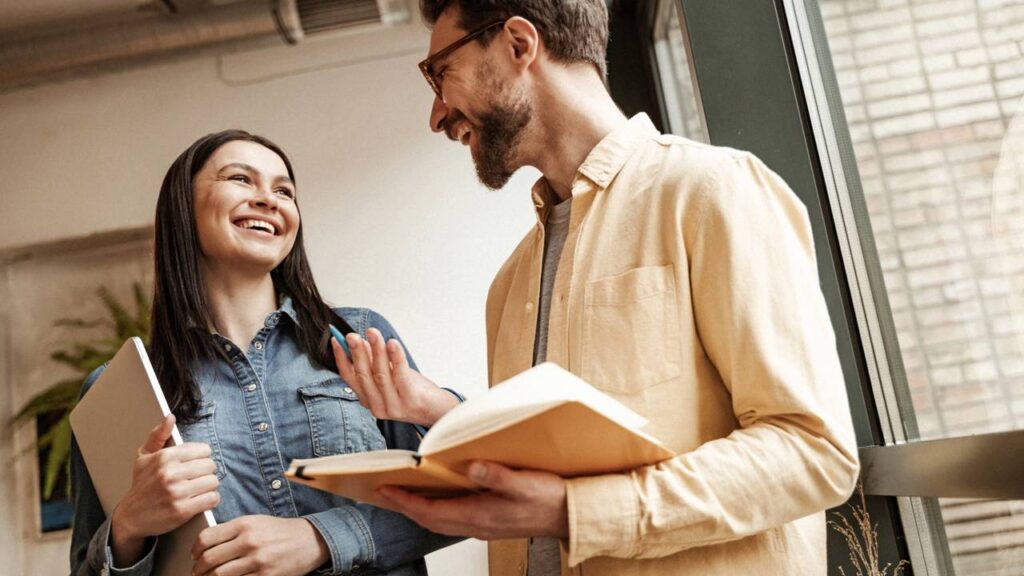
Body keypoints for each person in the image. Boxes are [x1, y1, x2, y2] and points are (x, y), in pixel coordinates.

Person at [347, 1, 861, 574]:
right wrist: (444, 416)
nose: (437, 114)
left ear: (519, 43)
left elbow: (812, 452)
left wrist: (575, 512)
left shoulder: (714, 190)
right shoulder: (508, 285)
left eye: (440, 72)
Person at [69, 130, 461, 576]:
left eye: (283, 191)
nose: (269, 200)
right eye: (241, 179)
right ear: (183, 207)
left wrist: (319, 538)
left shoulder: (358, 337)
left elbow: (464, 492)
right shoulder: (117, 391)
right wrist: (128, 527)